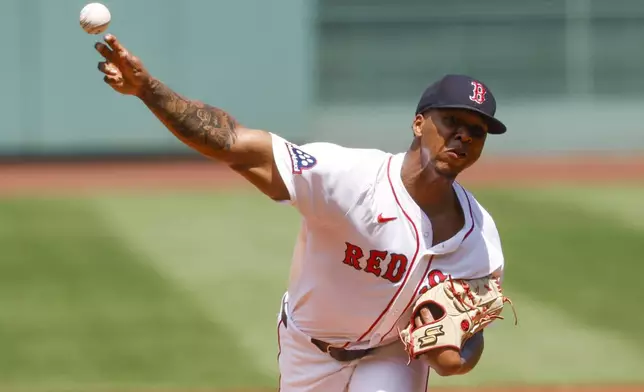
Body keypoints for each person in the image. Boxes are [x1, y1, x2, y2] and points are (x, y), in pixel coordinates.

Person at [94, 34, 508, 392]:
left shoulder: (480, 239)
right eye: (452, 120)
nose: (463, 136)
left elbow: (471, 335)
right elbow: (232, 144)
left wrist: (460, 358)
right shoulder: (349, 179)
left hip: (392, 355)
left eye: (477, 131)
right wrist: (148, 89)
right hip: (309, 349)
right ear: (419, 124)